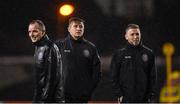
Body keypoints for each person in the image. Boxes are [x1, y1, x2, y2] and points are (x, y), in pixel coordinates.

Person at [56, 17, 101, 103]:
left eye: (81, 26)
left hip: (82, 96)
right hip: (62, 95)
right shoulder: (59, 46)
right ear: (69, 29)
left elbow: (97, 72)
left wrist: (88, 90)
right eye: (75, 26)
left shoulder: (91, 47)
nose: (78, 28)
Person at [111, 24, 157, 103]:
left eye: (137, 34)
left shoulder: (149, 53)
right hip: (126, 99)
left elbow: (152, 77)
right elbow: (114, 76)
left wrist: (150, 95)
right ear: (126, 36)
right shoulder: (119, 54)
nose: (135, 37)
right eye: (132, 34)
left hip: (144, 99)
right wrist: (119, 94)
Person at [28, 20, 64, 103]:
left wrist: (44, 99)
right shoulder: (39, 47)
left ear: (43, 32)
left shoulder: (49, 48)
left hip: (49, 99)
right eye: (29, 31)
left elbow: (52, 77)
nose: (31, 34)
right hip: (41, 97)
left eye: (35, 31)